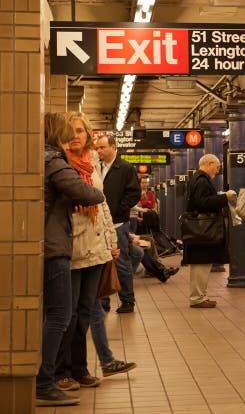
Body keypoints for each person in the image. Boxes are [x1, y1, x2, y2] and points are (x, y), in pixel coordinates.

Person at [54, 112, 136, 391]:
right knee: (69, 314)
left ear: (89, 135)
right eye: (71, 131)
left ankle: (80, 369)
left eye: (80, 131)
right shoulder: (60, 162)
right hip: (74, 247)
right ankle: (60, 372)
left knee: (86, 311)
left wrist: (112, 242)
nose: (76, 136)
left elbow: (102, 207)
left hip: (97, 246)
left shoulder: (91, 163)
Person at [38, 113, 106, 407]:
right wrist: (91, 194)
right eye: (67, 133)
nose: (71, 139)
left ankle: (48, 377)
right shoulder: (54, 161)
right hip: (56, 246)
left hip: (52, 243)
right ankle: (45, 381)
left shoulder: (45, 158)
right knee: (60, 315)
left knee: (63, 313)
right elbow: (86, 192)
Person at [95, 134, 142, 314]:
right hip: (99, 224)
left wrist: (118, 210)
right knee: (102, 263)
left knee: (121, 263)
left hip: (117, 224)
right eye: (97, 148)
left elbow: (134, 194)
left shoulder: (125, 168)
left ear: (113, 147)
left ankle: (128, 301)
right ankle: (104, 301)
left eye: (102, 147)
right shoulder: (96, 167)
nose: (98, 151)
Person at [185, 154, 234, 308]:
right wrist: (225, 197)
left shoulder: (198, 178)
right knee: (201, 263)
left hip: (200, 229)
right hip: (203, 230)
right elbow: (202, 202)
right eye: (217, 167)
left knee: (201, 263)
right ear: (209, 163)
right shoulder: (201, 180)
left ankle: (200, 295)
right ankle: (198, 298)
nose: (217, 170)